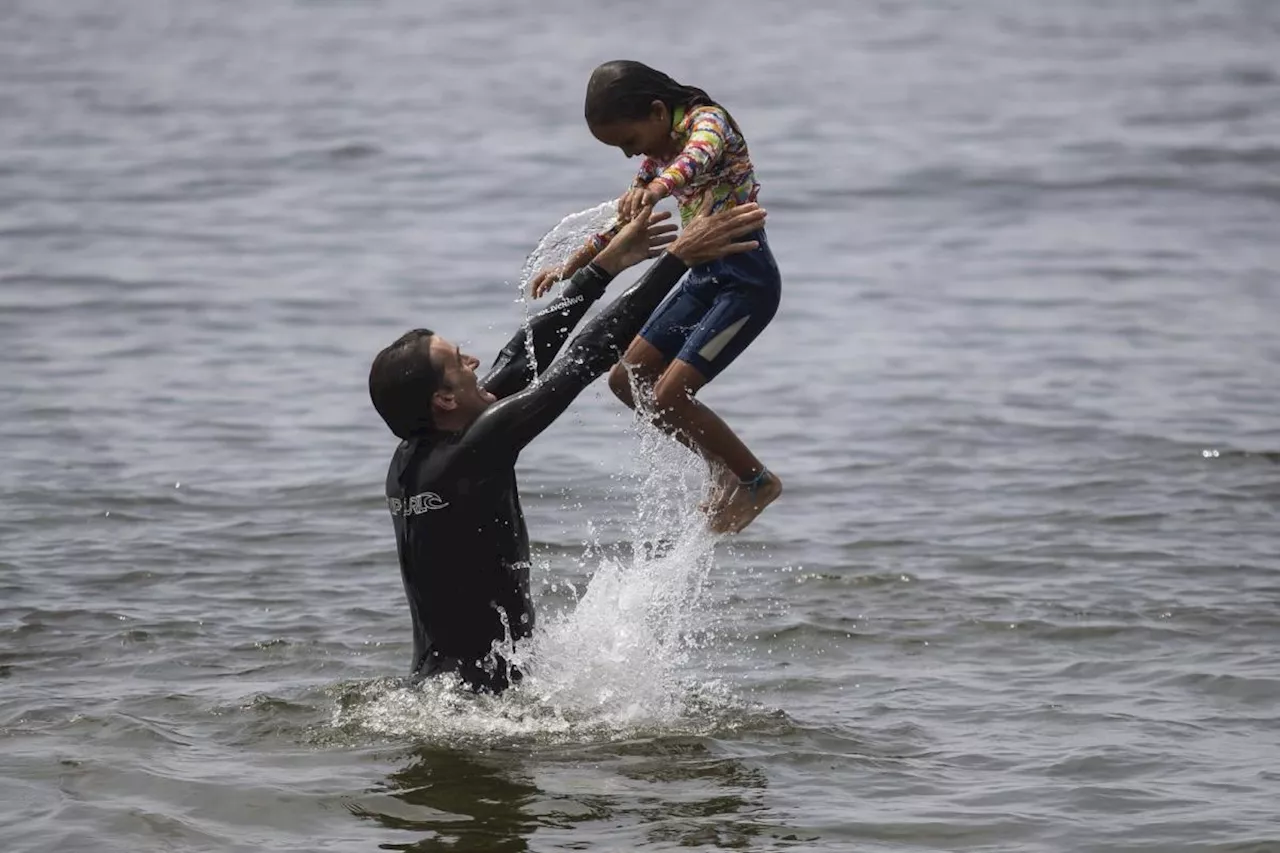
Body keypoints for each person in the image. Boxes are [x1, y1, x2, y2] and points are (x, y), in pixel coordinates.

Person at [368, 202, 767, 694]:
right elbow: (584, 358)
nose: (475, 361)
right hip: (487, 700)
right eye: (458, 361)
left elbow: (521, 357)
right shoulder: (470, 452)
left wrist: (605, 267)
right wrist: (676, 261)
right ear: (444, 399)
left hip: (434, 690)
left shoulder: (416, 459)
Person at [529, 60, 782, 535]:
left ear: (658, 110)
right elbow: (623, 225)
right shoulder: (656, 159)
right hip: (704, 278)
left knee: (670, 392)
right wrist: (571, 266)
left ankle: (757, 481)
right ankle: (721, 468)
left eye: (628, 142)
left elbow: (698, 160)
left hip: (745, 281)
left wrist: (658, 186)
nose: (629, 156)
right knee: (626, 379)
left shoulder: (709, 123)